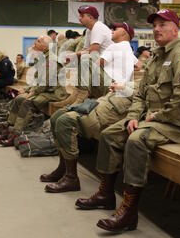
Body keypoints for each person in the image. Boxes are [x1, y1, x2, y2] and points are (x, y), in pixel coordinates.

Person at [75, 9, 180, 233]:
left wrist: (156, 116)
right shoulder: (156, 58)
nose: (156, 29)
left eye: (162, 25)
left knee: (136, 140)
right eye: (154, 25)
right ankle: (106, 194)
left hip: (177, 124)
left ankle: (129, 211)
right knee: (110, 134)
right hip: (153, 119)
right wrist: (133, 116)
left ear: (176, 29)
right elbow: (140, 94)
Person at [42, 22, 138, 193]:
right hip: (115, 90)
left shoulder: (117, 47)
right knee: (58, 117)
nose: (112, 31)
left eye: (116, 29)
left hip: (113, 91)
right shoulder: (128, 50)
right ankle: (64, 169)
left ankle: (80, 94)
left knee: (87, 58)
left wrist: (79, 55)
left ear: (125, 33)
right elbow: (139, 66)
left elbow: (98, 63)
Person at [0, 36, 68, 146]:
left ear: (45, 46)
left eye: (38, 41)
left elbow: (46, 82)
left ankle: (16, 134)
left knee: (28, 103)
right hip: (45, 90)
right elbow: (37, 79)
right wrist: (27, 89)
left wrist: (32, 93)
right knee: (18, 99)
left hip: (54, 93)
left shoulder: (51, 60)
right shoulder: (43, 58)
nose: (35, 42)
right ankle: (9, 128)